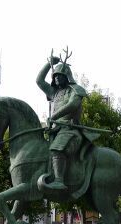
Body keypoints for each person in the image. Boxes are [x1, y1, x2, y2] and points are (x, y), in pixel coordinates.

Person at [36, 49, 87, 190]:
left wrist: (54, 116)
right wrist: (49, 64)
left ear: (67, 76)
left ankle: (59, 181)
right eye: (55, 75)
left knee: (56, 149)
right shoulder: (54, 93)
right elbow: (39, 81)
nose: (56, 77)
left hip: (70, 130)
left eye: (60, 75)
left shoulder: (76, 90)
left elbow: (73, 105)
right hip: (55, 131)